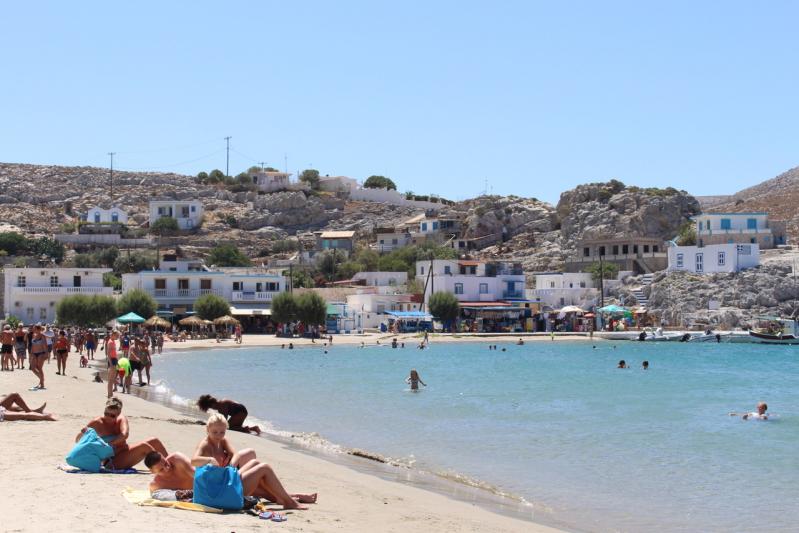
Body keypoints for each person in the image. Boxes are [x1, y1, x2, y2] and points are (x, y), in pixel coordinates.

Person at [145, 451, 312, 509]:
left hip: (213, 483)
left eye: (165, 463)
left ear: (164, 456)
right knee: (260, 479)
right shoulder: (156, 485)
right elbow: (173, 497)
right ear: (152, 472)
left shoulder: (177, 459)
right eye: (161, 469)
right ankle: (291, 499)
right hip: (215, 491)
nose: (167, 467)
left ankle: (290, 497)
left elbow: (198, 476)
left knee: (256, 468)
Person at [76, 397, 168, 469]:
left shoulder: (121, 419)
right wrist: (82, 433)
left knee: (154, 440)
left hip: (125, 452)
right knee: (144, 446)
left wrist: (108, 444)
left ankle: (171, 464)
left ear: (119, 413)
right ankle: (162, 468)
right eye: (106, 414)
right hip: (111, 460)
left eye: (112, 415)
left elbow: (125, 435)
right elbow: (78, 441)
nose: (108, 417)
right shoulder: (97, 422)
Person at [192, 413, 257, 469]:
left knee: (251, 452)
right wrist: (210, 460)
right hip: (214, 476)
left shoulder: (223, 440)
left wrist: (231, 466)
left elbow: (234, 454)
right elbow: (193, 461)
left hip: (227, 470)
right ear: (208, 429)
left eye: (222, 432)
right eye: (215, 432)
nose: (218, 435)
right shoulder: (204, 444)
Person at [197, 394, 261, 434]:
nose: (212, 408)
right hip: (240, 411)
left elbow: (223, 421)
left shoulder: (222, 405)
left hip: (240, 412)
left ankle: (248, 429)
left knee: (229, 427)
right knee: (236, 427)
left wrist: (209, 425)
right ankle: (253, 428)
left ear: (212, 404)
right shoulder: (220, 405)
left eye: (210, 407)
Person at [29, 325, 49, 390]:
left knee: (39, 368)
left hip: (41, 353)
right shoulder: (33, 335)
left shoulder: (42, 336)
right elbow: (32, 345)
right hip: (34, 353)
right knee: (32, 368)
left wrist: (46, 354)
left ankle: (42, 384)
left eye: (34, 329)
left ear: (38, 329)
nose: (33, 329)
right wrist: (31, 353)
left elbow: (45, 345)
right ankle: (41, 379)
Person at [106, 331, 119, 398]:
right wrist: (110, 363)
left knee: (112, 378)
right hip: (112, 360)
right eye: (117, 336)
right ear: (113, 335)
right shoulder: (110, 342)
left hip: (114, 360)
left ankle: (110, 394)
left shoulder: (113, 341)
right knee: (111, 379)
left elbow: (114, 353)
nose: (118, 337)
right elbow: (108, 353)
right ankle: (110, 394)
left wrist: (117, 362)